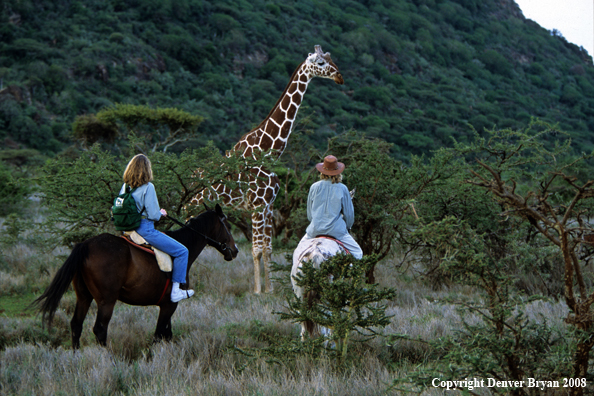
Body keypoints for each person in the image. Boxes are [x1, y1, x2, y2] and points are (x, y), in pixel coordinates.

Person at [121, 154, 194, 303]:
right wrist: (161, 213)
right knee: (182, 251)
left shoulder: (125, 186)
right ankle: (176, 291)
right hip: (145, 229)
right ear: (146, 169)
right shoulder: (148, 187)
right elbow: (153, 215)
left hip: (128, 229)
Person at [301, 155, 363, 259]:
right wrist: (347, 227)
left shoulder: (314, 187)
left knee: (298, 252)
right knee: (358, 253)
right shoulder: (343, 188)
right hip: (337, 232)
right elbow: (349, 215)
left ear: (322, 171)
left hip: (314, 230)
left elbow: (309, 215)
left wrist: (317, 223)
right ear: (338, 172)